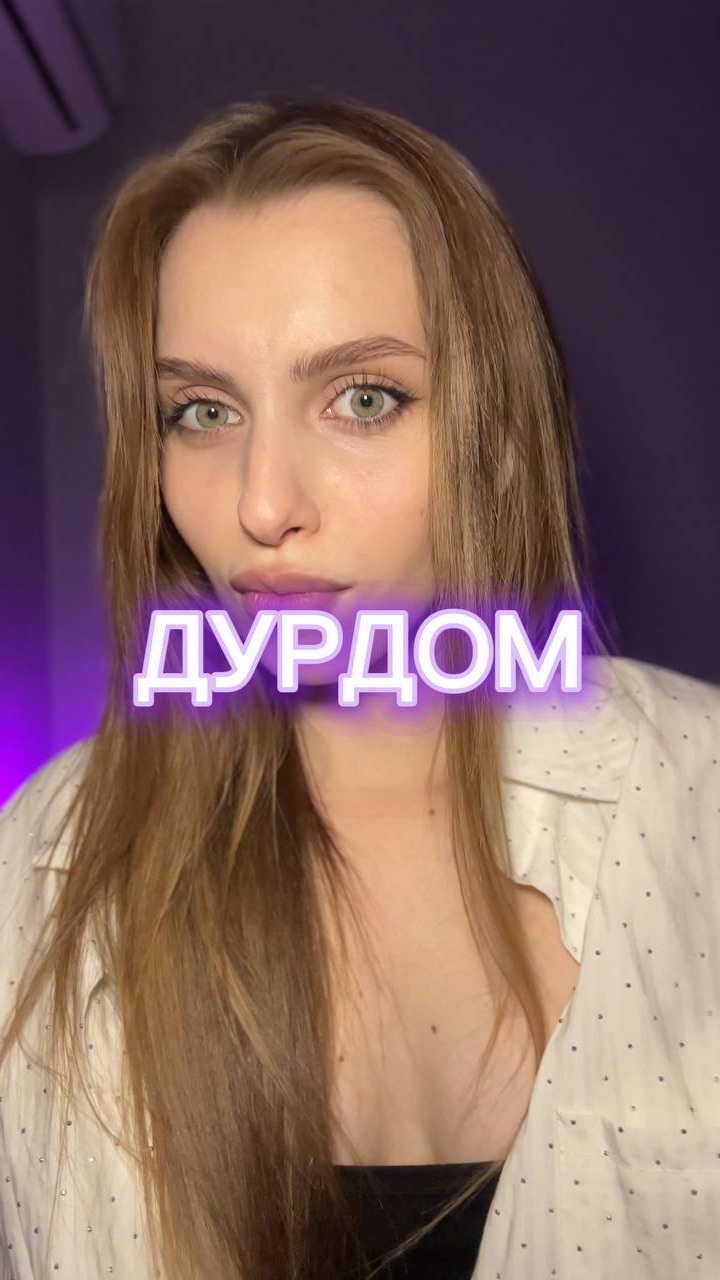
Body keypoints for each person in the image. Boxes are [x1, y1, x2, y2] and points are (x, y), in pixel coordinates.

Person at [1, 92, 719, 1280]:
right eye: (202, 411)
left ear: (494, 429)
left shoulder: (696, 800)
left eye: (363, 398)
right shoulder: (47, 866)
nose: (261, 503)